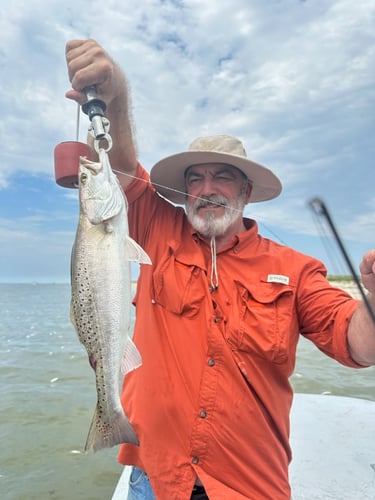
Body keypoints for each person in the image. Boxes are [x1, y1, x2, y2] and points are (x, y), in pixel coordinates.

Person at [65, 39, 375, 500]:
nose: (207, 189)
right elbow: (125, 167)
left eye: (222, 176)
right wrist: (116, 93)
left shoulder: (295, 268)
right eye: (195, 178)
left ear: (246, 190)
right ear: (185, 189)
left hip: (249, 485)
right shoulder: (154, 227)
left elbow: (358, 344)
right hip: (156, 478)